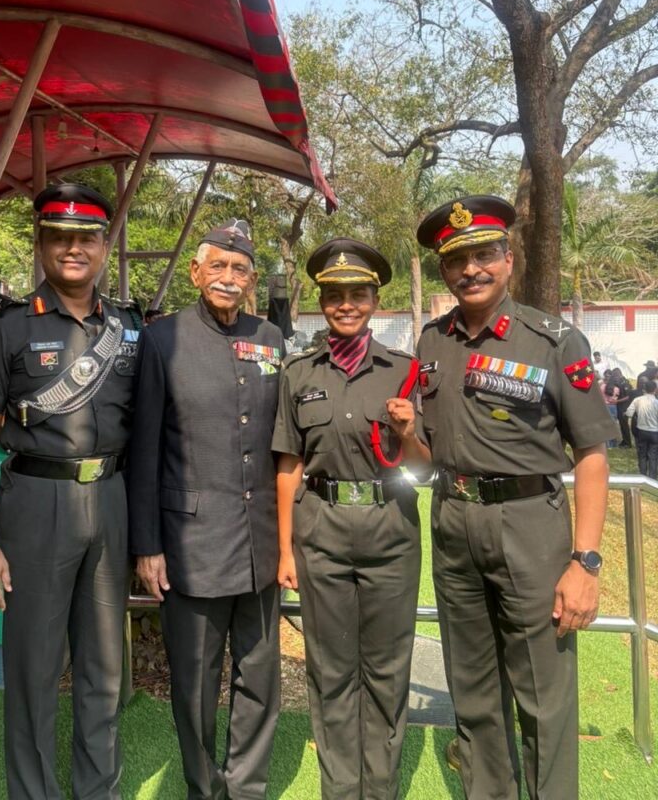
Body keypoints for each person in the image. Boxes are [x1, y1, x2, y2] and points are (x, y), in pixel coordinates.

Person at [415, 195, 615, 800]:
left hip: (531, 524)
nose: (470, 269)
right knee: (471, 689)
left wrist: (584, 562)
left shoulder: (554, 341)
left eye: (483, 255)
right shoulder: (431, 340)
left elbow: (592, 454)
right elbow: (424, 450)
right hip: (452, 521)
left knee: (542, 694)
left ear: (508, 257)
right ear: (443, 271)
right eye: (456, 261)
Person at [0, 184, 141, 800]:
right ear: (40, 243)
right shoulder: (6, 328)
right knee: (35, 669)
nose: (73, 248)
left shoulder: (128, 326)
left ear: (103, 245)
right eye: (59, 236)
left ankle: (98, 791)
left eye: (85, 237)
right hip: (37, 505)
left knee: (104, 669)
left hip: (110, 499)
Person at [127, 219, 284, 800]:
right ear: (195, 273)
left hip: (261, 541)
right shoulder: (161, 338)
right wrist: (147, 544)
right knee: (194, 685)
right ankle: (203, 787)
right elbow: (143, 447)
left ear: (250, 279)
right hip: (190, 544)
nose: (227, 276)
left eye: (239, 268)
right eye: (216, 265)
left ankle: (246, 787)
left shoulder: (270, 337)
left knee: (260, 679)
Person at [273, 238, 429, 800]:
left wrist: (409, 431)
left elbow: (426, 471)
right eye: (334, 294)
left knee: (387, 674)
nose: (346, 304)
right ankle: (340, 791)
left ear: (373, 299)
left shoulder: (405, 372)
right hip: (321, 534)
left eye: (357, 294)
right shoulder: (297, 373)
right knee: (332, 671)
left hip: (391, 532)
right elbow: (289, 465)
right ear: (322, 299)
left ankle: (379, 790)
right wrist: (287, 549)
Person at [626, 380, 658, 480]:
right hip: (654, 431)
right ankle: (652, 478)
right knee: (653, 455)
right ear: (655, 390)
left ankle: (642, 476)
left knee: (642, 454)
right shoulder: (656, 402)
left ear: (644, 389)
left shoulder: (637, 400)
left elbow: (629, 413)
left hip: (642, 430)